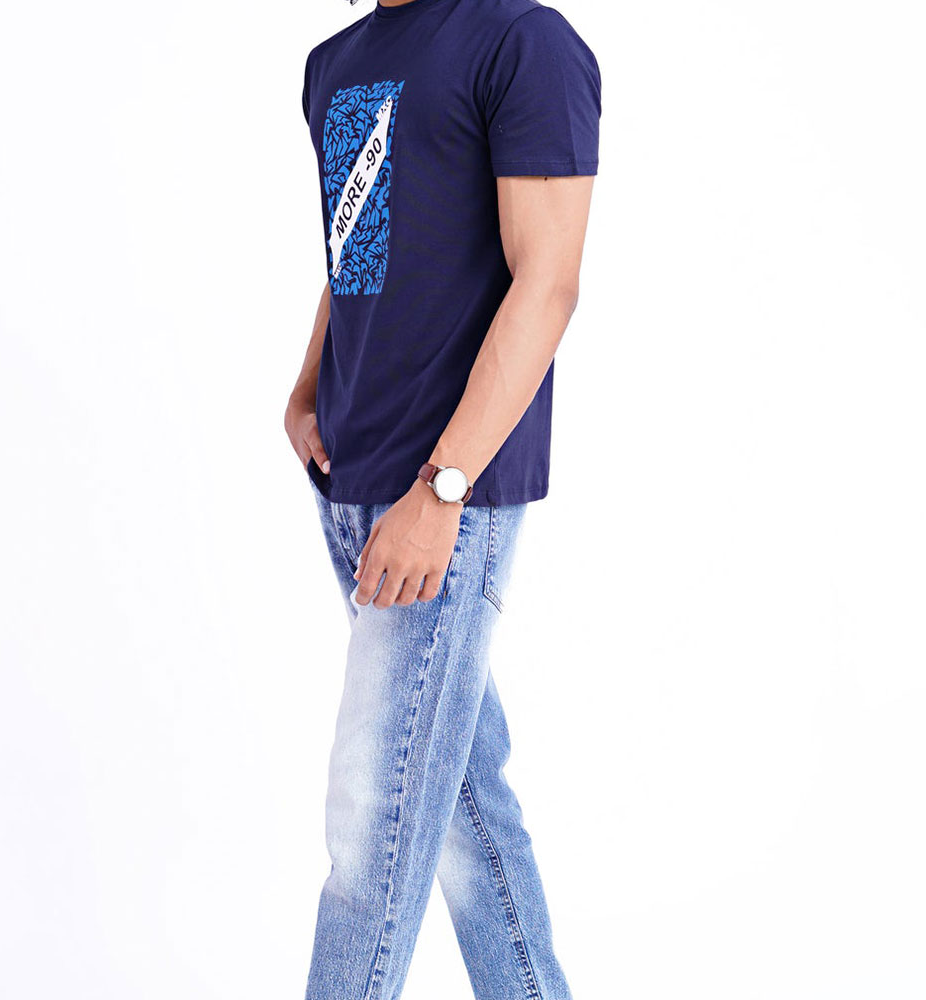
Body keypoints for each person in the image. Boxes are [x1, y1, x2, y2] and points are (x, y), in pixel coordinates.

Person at [283, 0, 600, 996]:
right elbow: (355, 250)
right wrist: (307, 386)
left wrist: (443, 486)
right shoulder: (334, 62)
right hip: (351, 480)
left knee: (370, 826)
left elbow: (547, 281)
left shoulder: (522, 41)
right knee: (464, 813)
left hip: (442, 495)